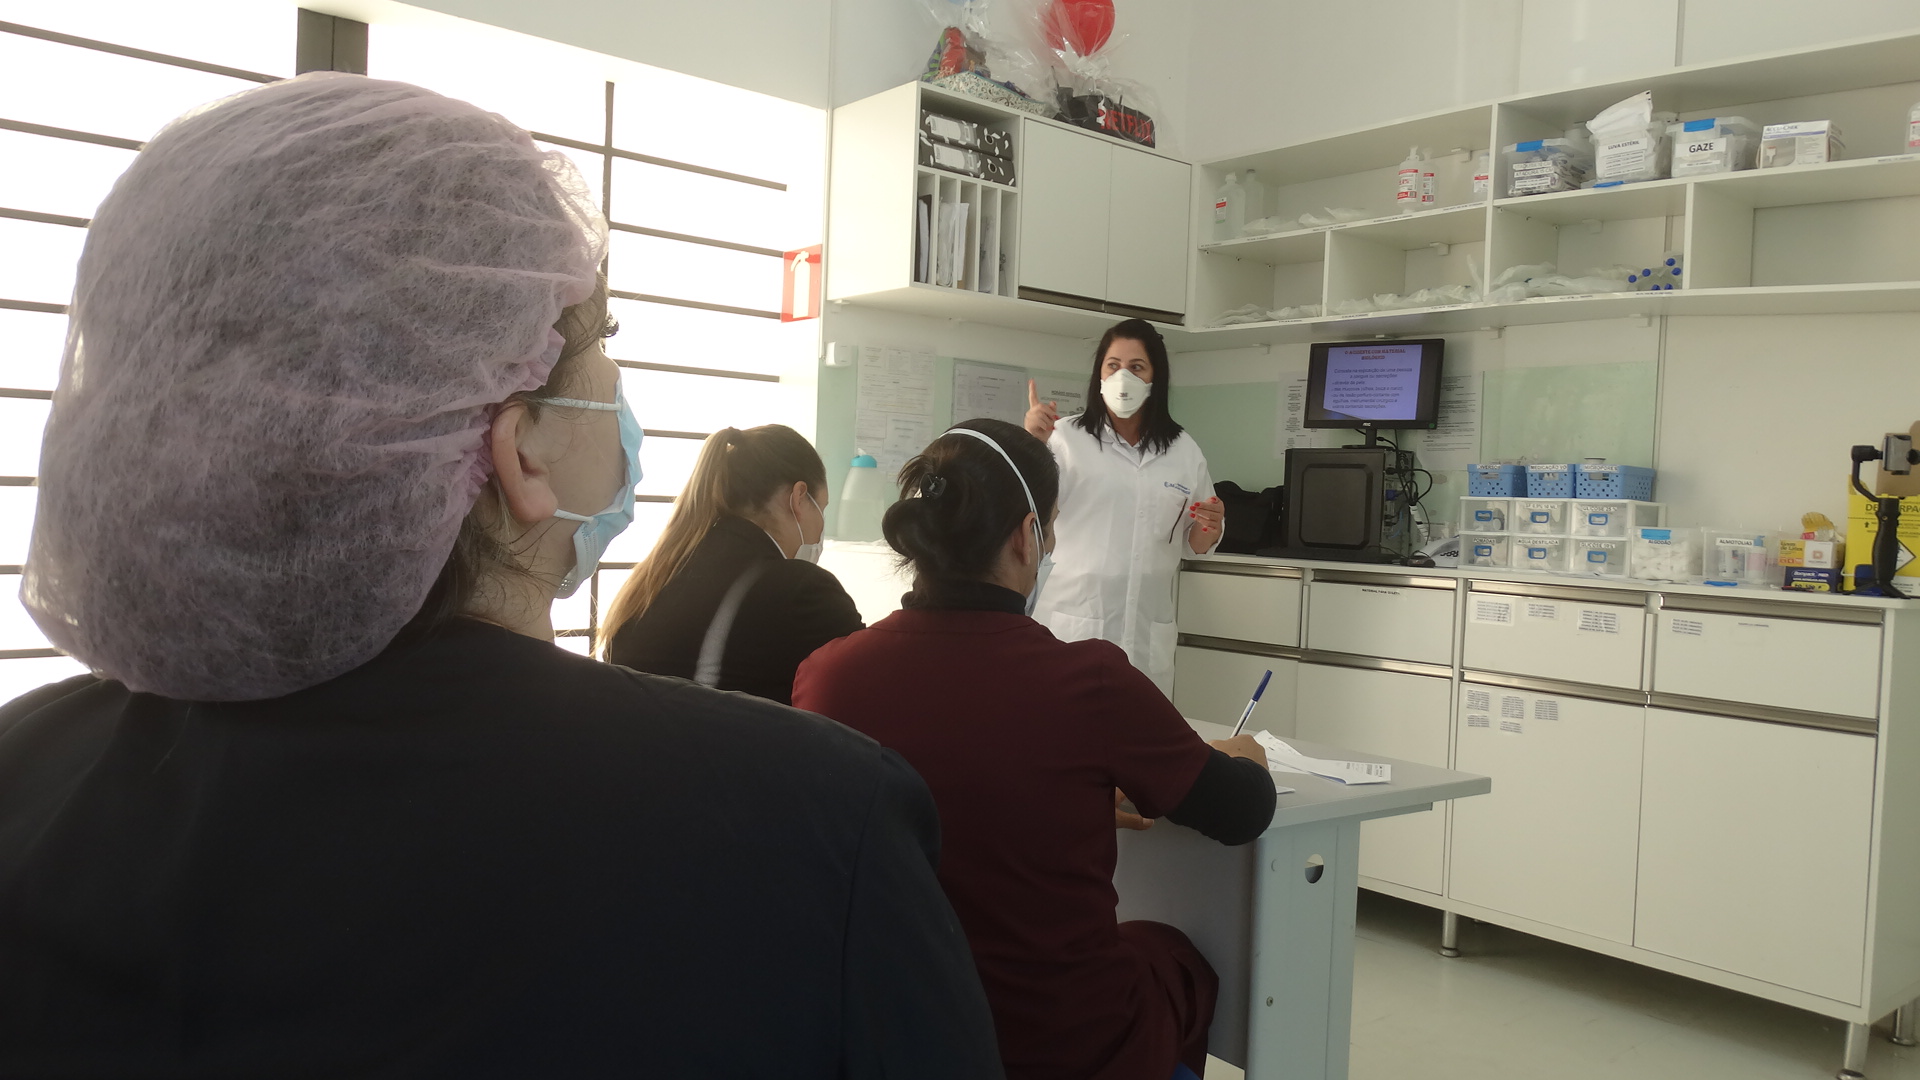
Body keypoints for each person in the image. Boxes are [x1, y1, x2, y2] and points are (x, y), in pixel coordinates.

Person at [0, 73, 1001, 1078]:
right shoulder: (814, 830)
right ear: (520, 452)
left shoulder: (26, 770)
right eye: (603, 340)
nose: (618, 383)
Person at [793, 419, 1276, 1080]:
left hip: (889, 1033)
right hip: (1054, 1042)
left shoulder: (827, 674)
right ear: (1028, 536)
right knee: (1175, 955)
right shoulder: (1090, 682)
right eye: (1050, 528)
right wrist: (1245, 758)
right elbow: (1242, 811)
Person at [1025, 319, 1225, 697]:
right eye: (1113, 365)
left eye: (1137, 367)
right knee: (1066, 726)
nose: (1123, 377)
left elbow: (1194, 543)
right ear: (1099, 374)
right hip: (1074, 629)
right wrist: (1032, 442)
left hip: (1147, 635)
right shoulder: (1064, 439)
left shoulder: (1183, 451)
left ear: (1155, 377)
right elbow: (1023, 512)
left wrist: (1210, 528)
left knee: (1141, 728)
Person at [601, 425, 862, 704]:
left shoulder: (656, 578)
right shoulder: (803, 591)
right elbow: (866, 690)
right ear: (799, 497)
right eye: (822, 507)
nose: (821, 526)